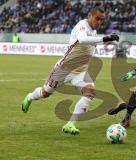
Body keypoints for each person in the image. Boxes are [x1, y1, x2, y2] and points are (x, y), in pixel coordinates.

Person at [21, 7, 119, 135]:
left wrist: (108, 42)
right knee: (45, 93)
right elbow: (83, 40)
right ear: (90, 16)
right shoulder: (81, 25)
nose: (99, 22)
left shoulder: (94, 32)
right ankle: (30, 97)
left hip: (80, 72)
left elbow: (89, 47)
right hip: (64, 69)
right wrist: (105, 38)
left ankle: (70, 124)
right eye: (97, 18)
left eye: (102, 20)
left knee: (89, 92)